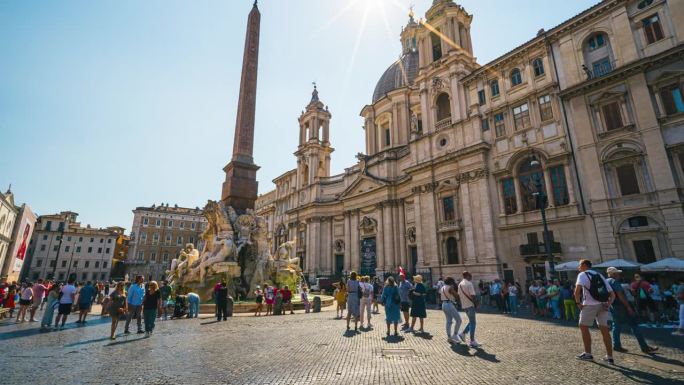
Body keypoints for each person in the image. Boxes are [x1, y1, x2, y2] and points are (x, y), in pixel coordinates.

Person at [606, 267, 658, 354]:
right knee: (634, 325)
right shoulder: (614, 282)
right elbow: (621, 295)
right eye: (617, 273)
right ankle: (644, 347)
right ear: (614, 274)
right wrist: (628, 307)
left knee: (616, 326)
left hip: (613, 306)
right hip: (622, 306)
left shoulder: (606, 281)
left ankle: (617, 345)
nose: (619, 275)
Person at [574, 259, 615, 364]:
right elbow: (612, 294)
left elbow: (577, 291)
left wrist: (578, 304)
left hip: (589, 305)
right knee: (604, 329)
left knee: (583, 326)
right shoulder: (599, 275)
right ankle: (610, 357)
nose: (578, 267)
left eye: (579, 265)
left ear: (584, 265)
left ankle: (588, 354)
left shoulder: (582, 274)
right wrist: (608, 304)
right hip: (603, 304)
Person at [457, 271, 480, 348]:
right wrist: (476, 303)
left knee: (471, 321)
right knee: (473, 322)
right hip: (470, 305)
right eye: (470, 276)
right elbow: (473, 295)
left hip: (464, 305)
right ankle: (472, 341)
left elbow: (459, 295)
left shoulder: (460, 284)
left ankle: (463, 334)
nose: (471, 277)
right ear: (467, 276)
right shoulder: (469, 284)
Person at [440, 277, 463, 344]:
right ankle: (455, 335)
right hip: (449, 304)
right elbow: (456, 296)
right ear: (451, 282)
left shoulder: (443, 287)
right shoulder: (450, 287)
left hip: (444, 304)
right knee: (459, 320)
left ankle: (449, 337)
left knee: (448, 321)